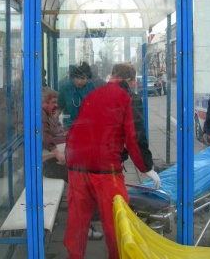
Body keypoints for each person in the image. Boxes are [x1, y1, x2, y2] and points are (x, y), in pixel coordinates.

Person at [63, 62, 161, 259]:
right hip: (105, 170)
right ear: (131, 81)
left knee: (77, 222)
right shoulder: (127, 98)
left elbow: (83, 128)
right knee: (116, 223)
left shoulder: (93, 94)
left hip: (77, 164)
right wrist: (147, 167)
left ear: (112, 75)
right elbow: (135, 136)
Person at [41, 87, 104, 240]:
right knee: (80, 180)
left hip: (55, 158)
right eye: (52, 102)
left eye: (56, 102)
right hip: (48, 164)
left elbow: (60, 132)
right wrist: (58, 153)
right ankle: (85, 223)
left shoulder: (49, 114)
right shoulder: (40, 116)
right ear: (43, 103)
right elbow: (44, 137)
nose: (56, 105)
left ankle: (93, 213)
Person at [57, 62, 96, 129]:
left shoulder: (91, 88)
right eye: (77, 78)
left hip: (87, 128)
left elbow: (96, 110)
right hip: (69, 128)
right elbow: (58, 109)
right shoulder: (65, 88)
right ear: (73, 76)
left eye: (83, 78)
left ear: (87, 78)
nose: (79, 81)